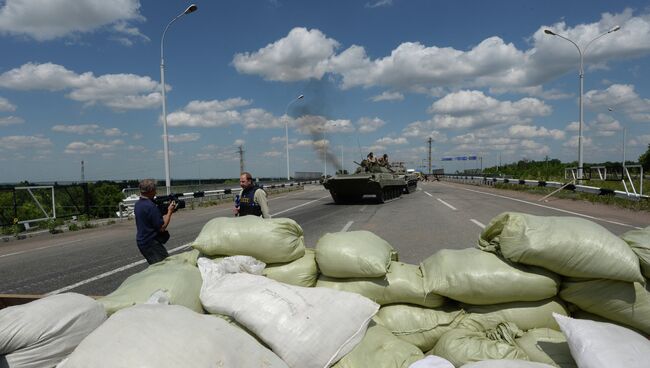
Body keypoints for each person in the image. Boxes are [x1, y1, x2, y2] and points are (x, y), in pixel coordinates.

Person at [134, 179, 175, 265]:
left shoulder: (138, 204)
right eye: (155, 190)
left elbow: (149, 220)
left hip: (142, 241)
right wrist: (169, 212)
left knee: (155, 266)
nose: (156, 192)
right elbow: (162, 227)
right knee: (165, 266)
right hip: (151, 243)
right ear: (150, 191)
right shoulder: (150, 206)